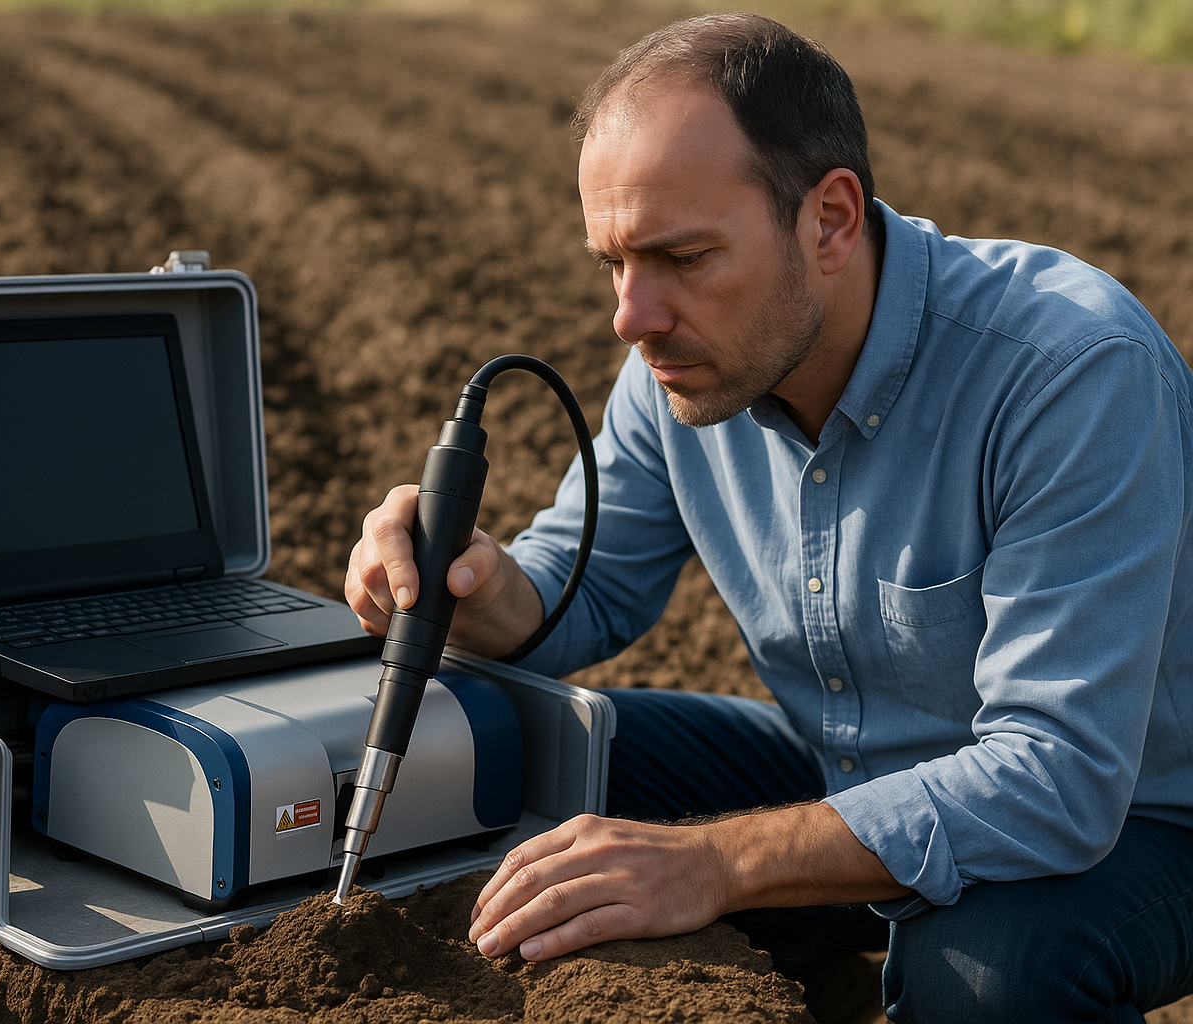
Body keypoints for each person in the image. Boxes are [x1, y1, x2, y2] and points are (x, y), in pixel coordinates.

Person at [345, 12, 1193, 1023]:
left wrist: (715, 863)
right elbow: (587, 579)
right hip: (851, 772)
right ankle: (809, 959)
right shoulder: (683, 364)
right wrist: (468, 586)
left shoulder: (1067, 372)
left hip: (1139, 821)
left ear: (830, 220)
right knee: (516, 746)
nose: (633, 316)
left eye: (683, 256)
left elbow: (1058, 778)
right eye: (614, 264)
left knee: (987, 977)